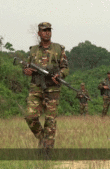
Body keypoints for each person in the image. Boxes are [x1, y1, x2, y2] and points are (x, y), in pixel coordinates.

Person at [23, 22, 69, 150]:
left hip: (52, 89)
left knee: (50, 121)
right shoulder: (33, 50)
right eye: (44, 30)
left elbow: (65, 68)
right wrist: (26, 71)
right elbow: (27, 66)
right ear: (39, 33)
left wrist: (60, 75)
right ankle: (43, 138)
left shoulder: (59, 49)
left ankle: (46, 154)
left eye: (49, 30)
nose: (47, 32)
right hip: (36, 88)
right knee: (29, 116)